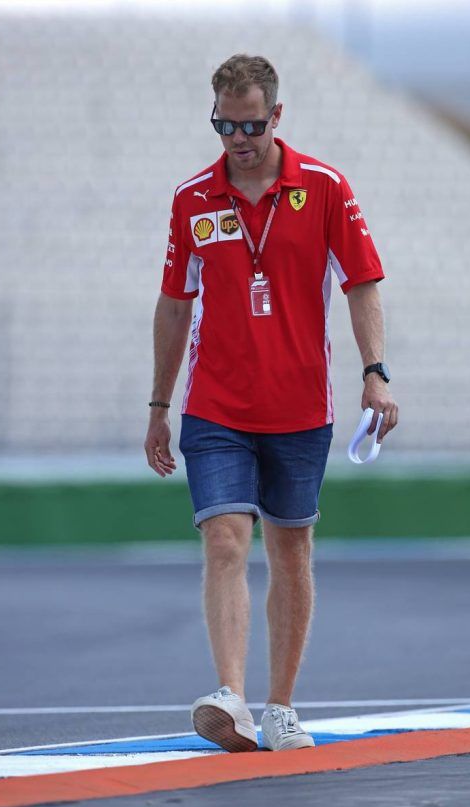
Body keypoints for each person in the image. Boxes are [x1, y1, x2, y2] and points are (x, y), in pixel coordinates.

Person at [144, 54, 398, 752]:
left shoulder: (321, 187)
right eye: (224, 124)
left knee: (290, 549)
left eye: (250, 123)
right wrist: (159, 405)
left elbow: (362, 282)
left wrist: (374, 371)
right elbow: (173, 307)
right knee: (225, 539)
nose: (238, 137)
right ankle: (231, 697)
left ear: (275, 116)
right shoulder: (192, 199)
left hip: (299, 406)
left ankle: (280, 705)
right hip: (215, 407)